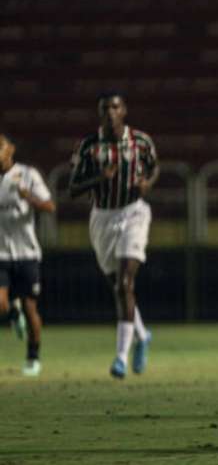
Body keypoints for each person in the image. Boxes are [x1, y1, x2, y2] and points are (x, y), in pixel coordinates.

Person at [69, 92, 158, 379]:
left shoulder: (141, 141)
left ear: (124, 111)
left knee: (124, 283)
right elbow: (73, 188)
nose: (111, 112)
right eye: (105, 108)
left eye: (115, 107)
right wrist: (100, 178)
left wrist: (147, 183)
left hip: (134, 213)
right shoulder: (88, 146)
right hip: (102, 218)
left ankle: (120, 356)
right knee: (119, 287)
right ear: (99, 113)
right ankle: (142, 336)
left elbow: (154, 167)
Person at [0, 134, 56, 376]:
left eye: (0, 146)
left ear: (11, 149)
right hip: (1, 253)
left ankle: (33, 357)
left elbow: (50, 206)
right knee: (0, 304)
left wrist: (28, 197)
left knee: (31, 308)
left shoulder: (27, 174)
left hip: (27, 253)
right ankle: (12, 311)